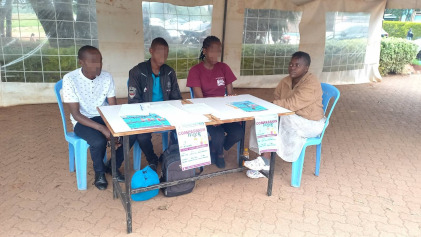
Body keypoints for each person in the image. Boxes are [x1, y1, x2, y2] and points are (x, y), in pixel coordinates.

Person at [244, 51, 326, 178]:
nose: (292, 67)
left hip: (310, 123)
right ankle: (264, 161)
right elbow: (277, 97)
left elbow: (293, 104)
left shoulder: (311, 83)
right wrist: (273, 105)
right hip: (293, 117)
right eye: (291, 64)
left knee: (276, 119)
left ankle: (265, 161)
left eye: (297, 65)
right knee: (265, 119)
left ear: (306, 68)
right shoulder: (286, 81)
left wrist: (273, 105)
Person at [62, 45, 125, 190]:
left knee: (129, 134)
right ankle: (99, 172)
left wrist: (115, 127)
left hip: (104, 115)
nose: (99, 66)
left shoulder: (107, 77)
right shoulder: (70, 79)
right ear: (81, 62)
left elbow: (112, 107)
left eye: (100, 61)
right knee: (98, 141)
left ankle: (113, 166)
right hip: (83, 120)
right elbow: (76, 115)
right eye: (93, 62)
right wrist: (103, 129)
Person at [186, 35, 243, 169]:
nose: (216, 54)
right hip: (206, 113)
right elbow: (199, 100)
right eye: (212, 50)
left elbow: (230, 94)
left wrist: (231, 98)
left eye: (218, 51)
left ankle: (215, 147)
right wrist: (213, 115)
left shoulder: (224, 67)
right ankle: (219, 154)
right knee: (217, 135)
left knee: (238, 133)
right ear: (204, 51)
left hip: (225, 112)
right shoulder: (195, 71)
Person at [128, 37, 182, 171]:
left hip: (166, 113)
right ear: (151, 51)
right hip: (145, 113)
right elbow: (133, 101)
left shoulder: (169, 72)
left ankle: (170, 155)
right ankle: (152, 158)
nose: (163, 56)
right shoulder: (137, 71)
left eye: (166, 53)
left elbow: (176, 97)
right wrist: (148, 114)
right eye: (159, 52)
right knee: (141, 135)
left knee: (183, 126)